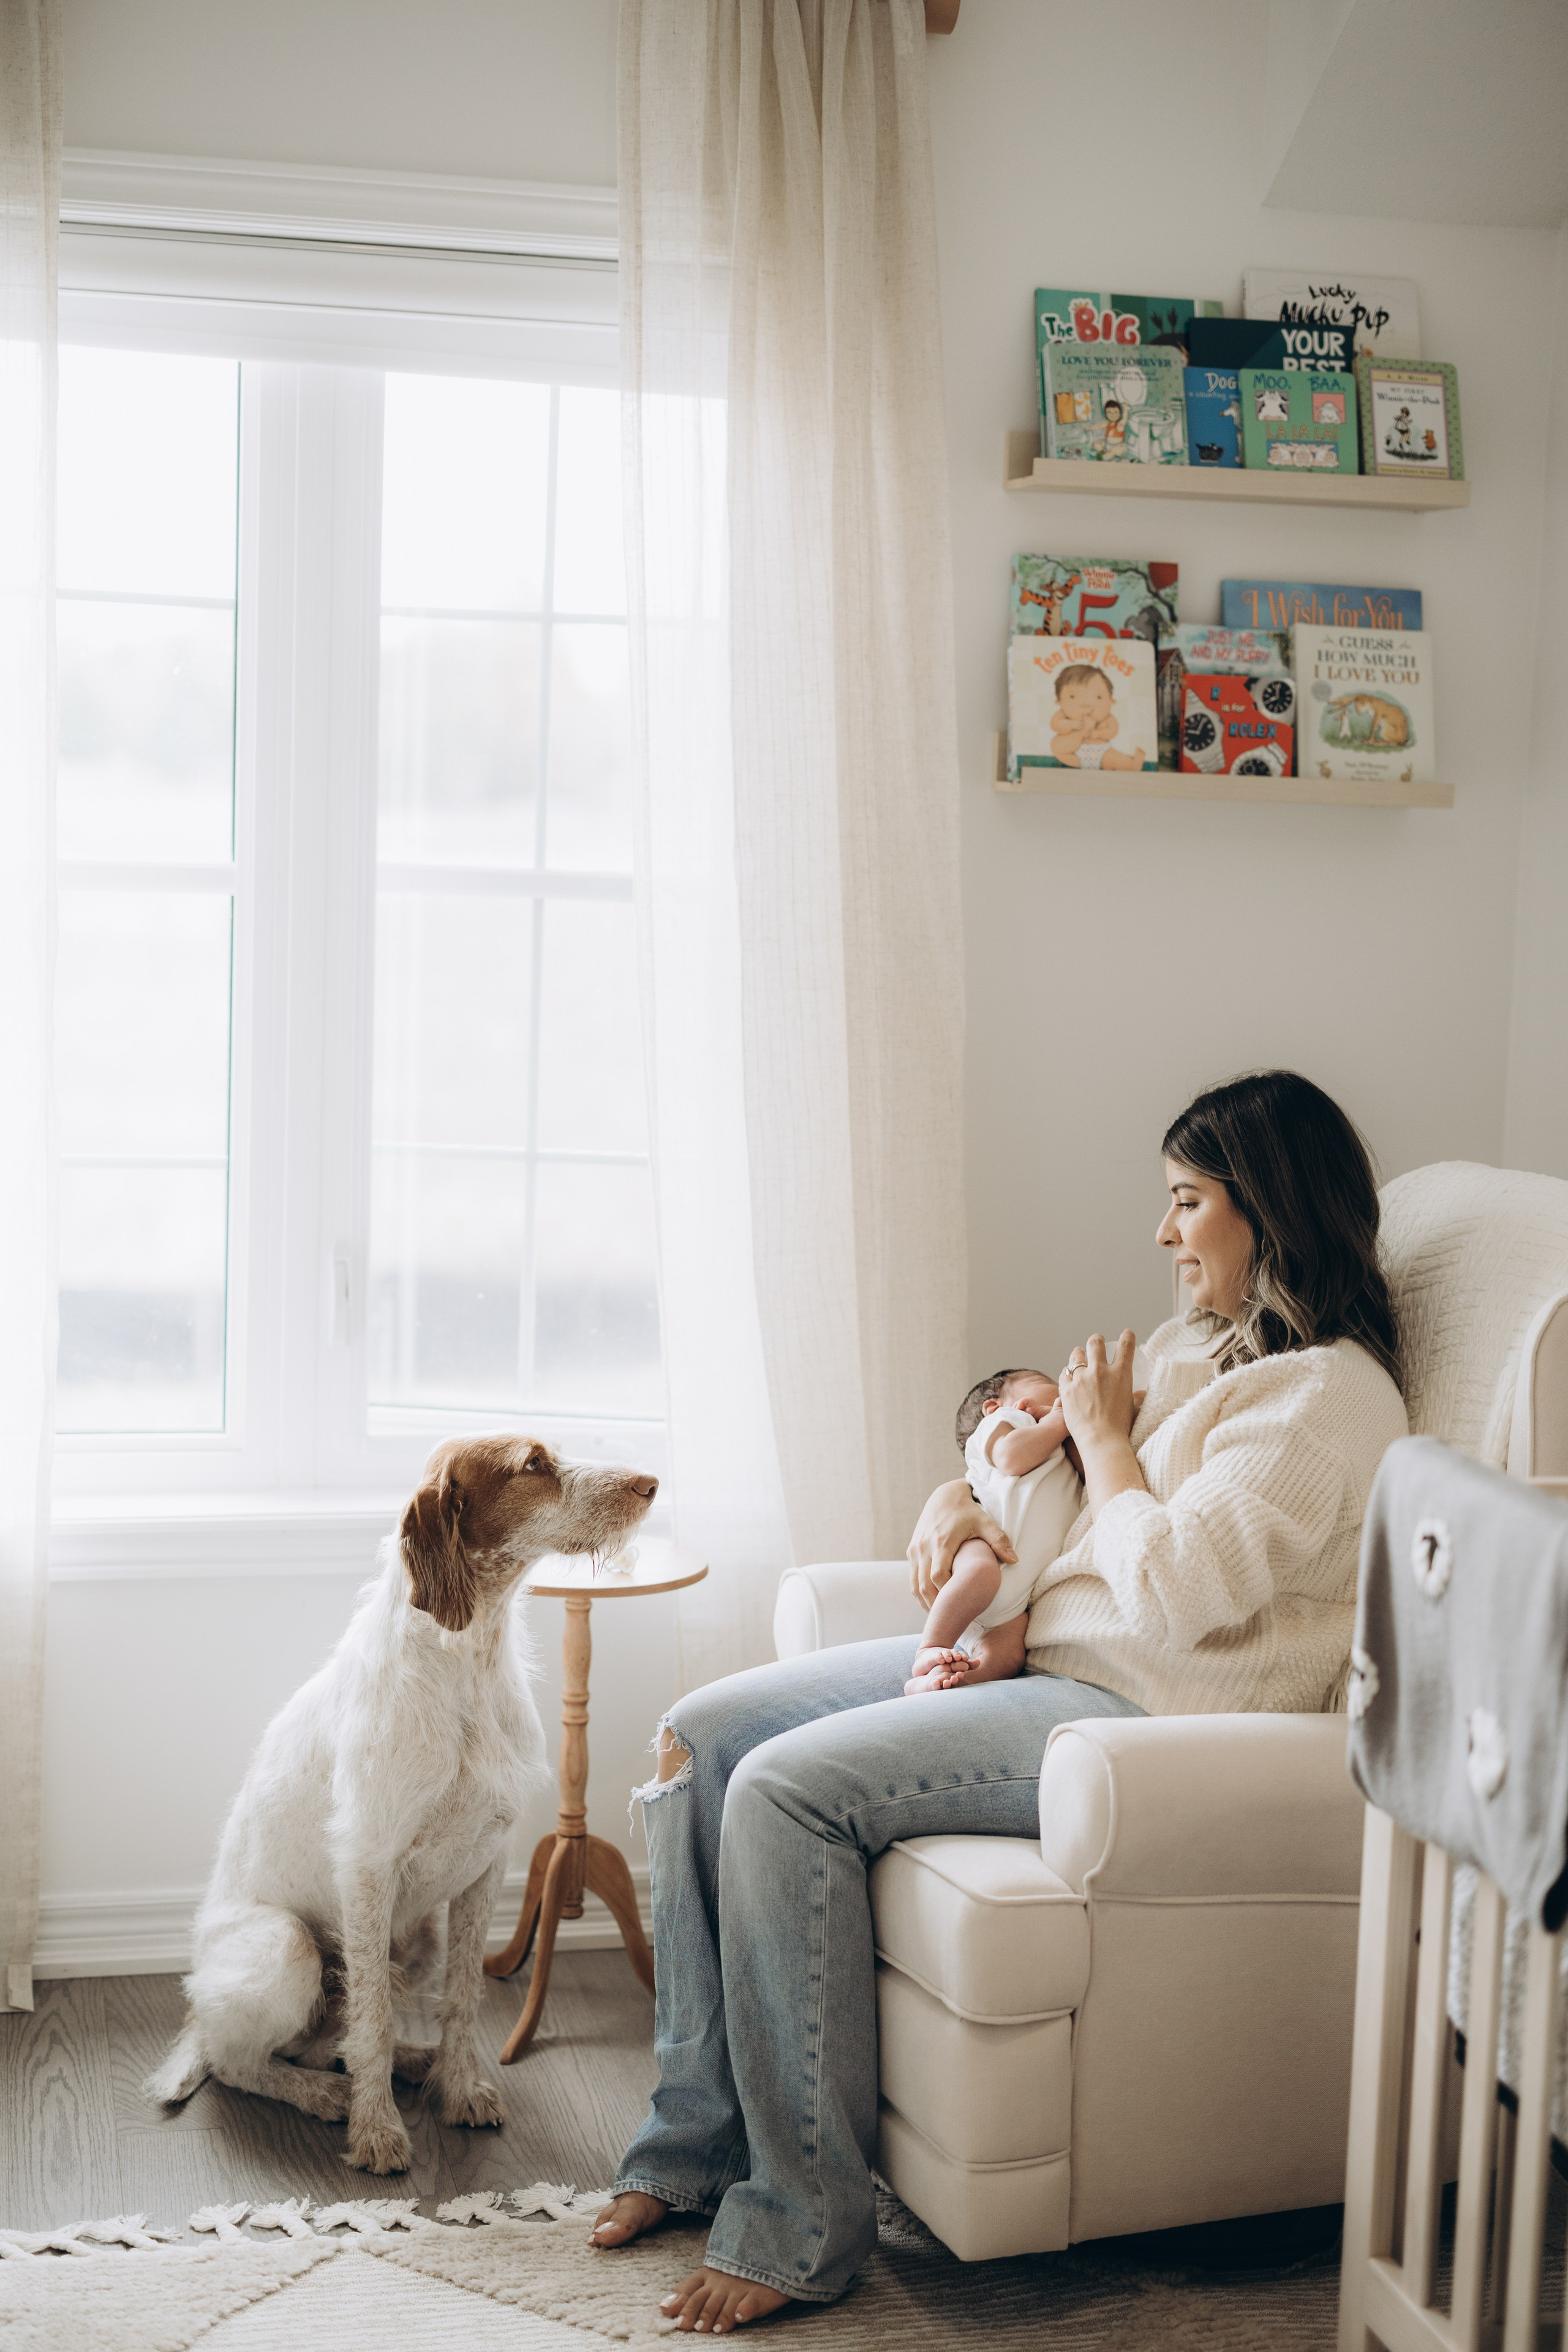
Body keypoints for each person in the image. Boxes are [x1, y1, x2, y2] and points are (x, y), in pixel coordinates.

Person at [590, 1071, 1408, 2334]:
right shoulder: (1206, 1352)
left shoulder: (1330, 1403)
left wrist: (1111, 1440)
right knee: (705, 1738)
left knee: (785, 1791)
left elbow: (1175, 1591)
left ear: (1267, 1209)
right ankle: (694, 2143)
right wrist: (955, 1501)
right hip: (1047, 1656)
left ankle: (800, 2224)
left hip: (1136, 1714)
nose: (1161, 1232)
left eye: (1184, 1201)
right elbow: (1051, 1484)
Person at [902, 1367, 1081, 1695]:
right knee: (982, 1574)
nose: (1059, 1391)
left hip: (1014, 1605)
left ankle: (950, 1681)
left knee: (1010, 1656)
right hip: (980, 1543)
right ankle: (930, 1648)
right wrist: (1059, 1421)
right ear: (994, 1407)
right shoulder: (1005, 1426)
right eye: (1046, 1385)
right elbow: (1012, 1458)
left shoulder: (1059, 1449)